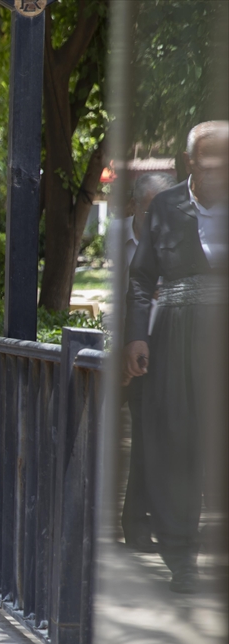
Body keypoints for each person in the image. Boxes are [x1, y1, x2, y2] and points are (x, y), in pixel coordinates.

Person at [125, 120, 228, 593]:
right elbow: (141, 277)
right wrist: (137, 338)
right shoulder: (165, 206)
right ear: (191, 162)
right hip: (178, 338)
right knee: (177, 445)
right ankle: (182, 559)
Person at [118, 172, 174, 553]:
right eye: (154, 206)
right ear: (134, 206)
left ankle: (140, 525)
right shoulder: (114, 239)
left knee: (148, 442)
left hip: (152, 356)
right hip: (104, 354)